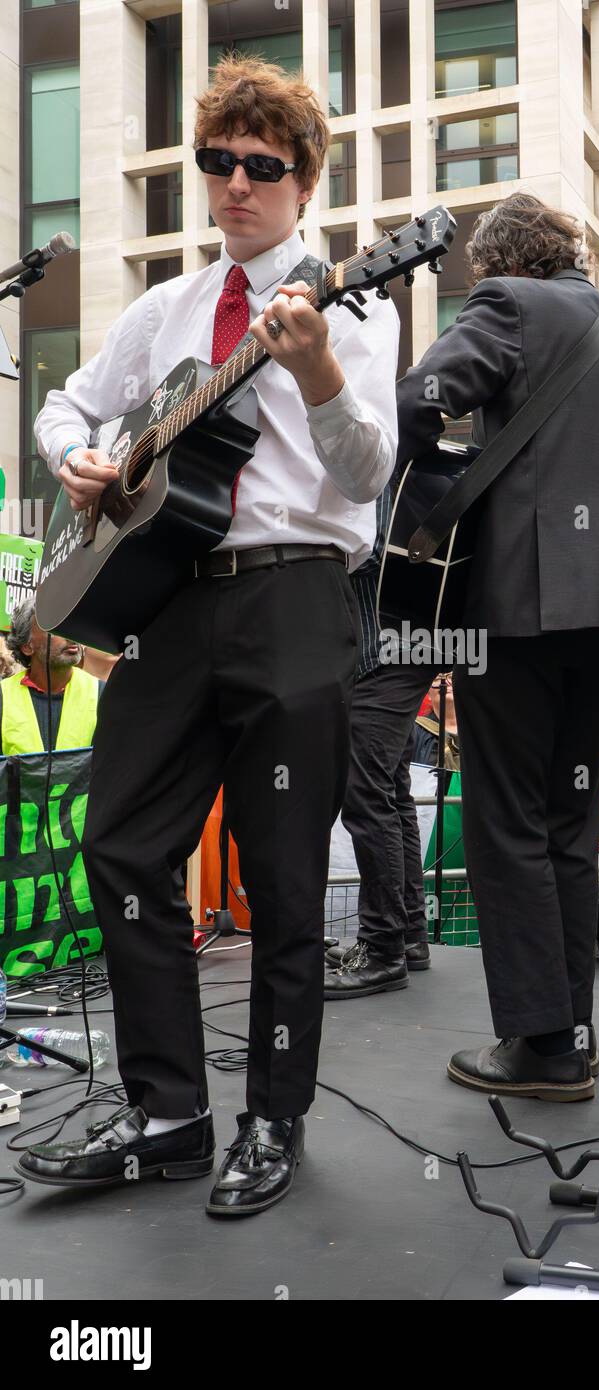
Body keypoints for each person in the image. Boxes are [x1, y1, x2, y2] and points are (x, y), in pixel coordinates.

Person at [17, 56, 399, 1217]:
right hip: (166, 602)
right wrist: (79, 459)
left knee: (283, 873)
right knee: (124, 845)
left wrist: (317, 369)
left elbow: (369, 469)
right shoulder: (165, 309)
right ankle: (171, 1111)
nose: (234, 185)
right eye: (216, 163)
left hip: (291, 596)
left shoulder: (356, 300)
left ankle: (273, 1116)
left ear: (305, 179)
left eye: (261, 167)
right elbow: (67, 404)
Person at [396, 192, 599, 1102]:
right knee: (564, 822)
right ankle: (571, 1035)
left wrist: (438, 472)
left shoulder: (507, 304)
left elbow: (418, 401)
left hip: (516, 601)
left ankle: (540, 1042)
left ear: (500, 261)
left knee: (506, 820)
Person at [324, 506, 438, 999]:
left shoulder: (374, 463)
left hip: (387, 647)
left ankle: (384, 947)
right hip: (402, 644)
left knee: (366, 792)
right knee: (389, 787)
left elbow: (359, 552)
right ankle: (408, 936)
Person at [2, 596, 101, 754]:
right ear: (27, 647)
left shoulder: (100, 692)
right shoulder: (3, 695)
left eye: (72, 626)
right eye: (56, 629)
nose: (71, 636)